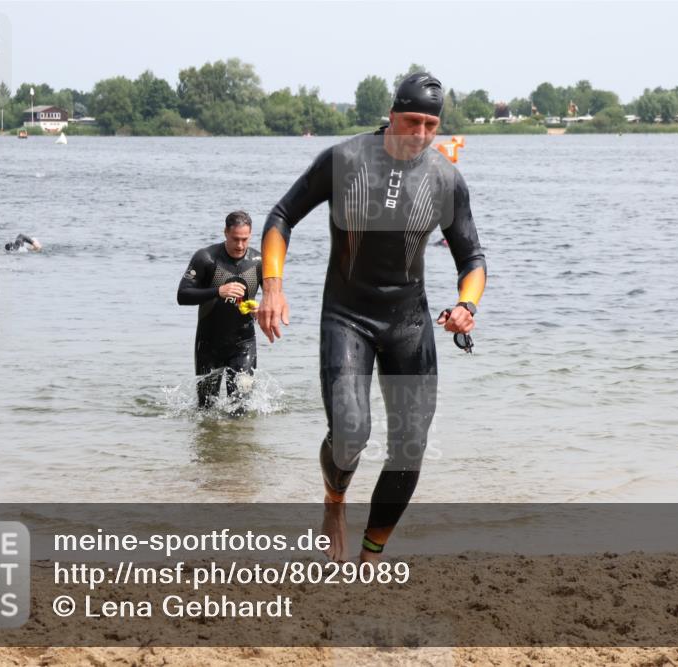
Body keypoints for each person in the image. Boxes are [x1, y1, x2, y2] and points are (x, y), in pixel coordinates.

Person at [257, 72, 487, 562]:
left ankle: (371, 557)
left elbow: (472, 259)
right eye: (412, 121)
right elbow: (281, 217)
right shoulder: (344, 159)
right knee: (351, 433)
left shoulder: (446, 179)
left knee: (410, 446)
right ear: (391, 114)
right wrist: (273, 287)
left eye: (431, 125)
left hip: (409, 322)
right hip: (347, 315)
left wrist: (466, 306)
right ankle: (334, 499)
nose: (420, 134)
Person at [177, 210, 263, 409]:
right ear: (225, 232)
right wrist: (218, 291)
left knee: (241, 406)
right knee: (206, 408)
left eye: (245, 239)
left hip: (243, 343)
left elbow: (272, 297)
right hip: (209, 344)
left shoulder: (259, 262)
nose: (240, 245)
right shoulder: (206, 258)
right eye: (235, 239)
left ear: (250, 235)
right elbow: (183, 295)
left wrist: (261, 309)